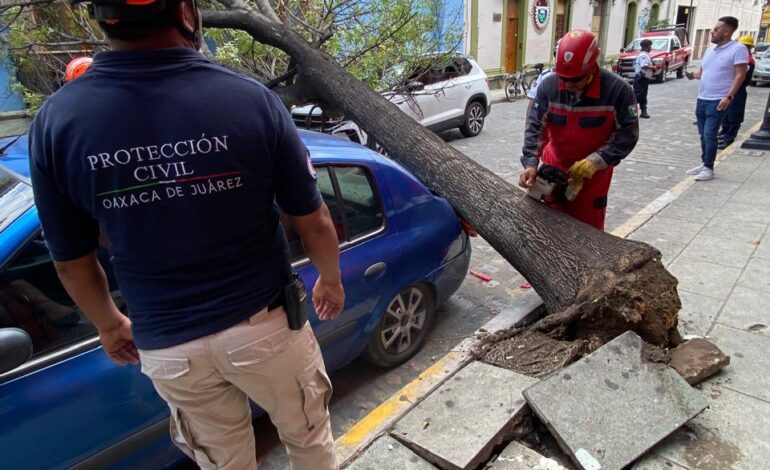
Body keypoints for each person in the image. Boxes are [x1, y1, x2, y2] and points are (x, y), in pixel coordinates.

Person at [28, 0, 344, 468]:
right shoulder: (248, 98)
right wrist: (331, 279)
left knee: (223, 460)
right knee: (309, 438)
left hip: (169, 346)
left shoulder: (55, 123)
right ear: (185, 12)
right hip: (265, 326)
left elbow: (71, 263)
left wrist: (110, 324)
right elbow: (313, 220)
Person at [519, 29, 639, 231]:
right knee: (545, 230)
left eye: (575, 80)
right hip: (552, 173)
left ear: (592, 68)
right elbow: (534, 127)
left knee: (588, 233)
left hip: (592, 177)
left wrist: (596, 160)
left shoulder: (618, 91)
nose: (567, 85)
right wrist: (530, 163)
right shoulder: (549, 86)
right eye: (563, 79)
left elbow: (627, 135)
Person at [685, 16, 748, 181]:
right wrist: (692, 75)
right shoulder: (709, 50)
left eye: (716, 29)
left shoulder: (738, 49)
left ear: (727, 31)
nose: (712, 32)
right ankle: (704, 162)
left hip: (718, 99)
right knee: (702, 134)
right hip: (702, 98)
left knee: (709, 133)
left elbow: (740, 74)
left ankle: (709, 168)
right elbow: (702, 73)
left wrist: (729, 96)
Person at [718, 35, 756, 149]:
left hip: (738, 90)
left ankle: (728, 138)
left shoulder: (748, 61)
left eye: (746, 46)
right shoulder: (741, 58)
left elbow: (741, 78)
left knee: (735, 115)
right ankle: (723, 134)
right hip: (730, 89)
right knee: (726, 113)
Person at [633, 39, 655, 119]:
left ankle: (643, 111)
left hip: (644, 78)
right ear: (645, 47)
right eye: (649, 46)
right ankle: (630, 112)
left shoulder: (645, 55)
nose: (650, 48)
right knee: (638, 95)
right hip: (641, 77)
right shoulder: (643, 55)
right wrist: (654, 67)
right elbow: (644, 66)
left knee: (643, 95)